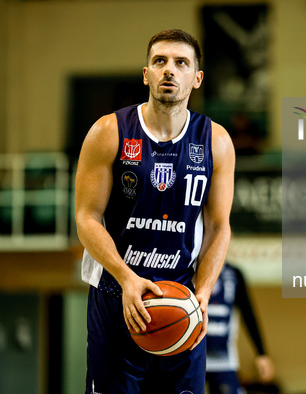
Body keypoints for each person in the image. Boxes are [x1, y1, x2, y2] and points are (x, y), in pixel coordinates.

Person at [75, 29, 235, 393]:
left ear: (197, 78)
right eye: (160, 61)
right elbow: (86, 218)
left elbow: (218, 227)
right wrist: (127, 278)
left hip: (179, 300)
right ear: (145, 73)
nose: (169, 70)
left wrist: (204, 294)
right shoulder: (108, 131)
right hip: (117, 298)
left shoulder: (217, 141)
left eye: (181, 63)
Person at [206, 262, 274, 394]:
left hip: (224, 359)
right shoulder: (188, 267)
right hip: (191, 356)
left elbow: (248, 315)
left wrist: (261, 354)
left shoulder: (234, 273)